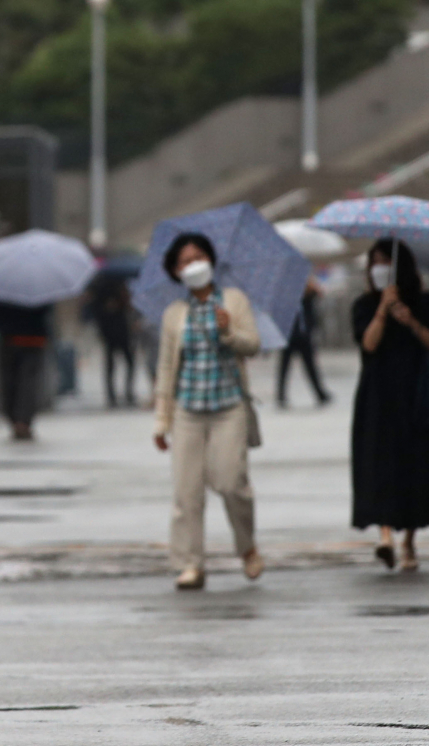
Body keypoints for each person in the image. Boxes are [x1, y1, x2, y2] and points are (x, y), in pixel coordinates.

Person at [152, 232, 264, 591]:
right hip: (188, 410)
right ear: (175, 270)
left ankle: (246, 547)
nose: (193, 265)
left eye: (198, 257)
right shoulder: (174, 314)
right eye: (185, 261)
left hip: (228, 406)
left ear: (212, 261)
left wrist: (229, 332)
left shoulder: (233, 301)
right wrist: (161, 420)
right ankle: (190, 563)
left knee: (231, 483)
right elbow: (167, 368)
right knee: (187, 493)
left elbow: (253, 346)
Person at [351, 238, 429, 572]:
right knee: (379, 465)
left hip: (415, 396)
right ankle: (385, 536)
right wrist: (382, 310)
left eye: (385, 262)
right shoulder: (363, 305)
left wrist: (410, 321)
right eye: (374, 262)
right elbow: (368, 343)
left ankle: (409, 541)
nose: (379, 268)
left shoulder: (423, 302)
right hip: (377, 397)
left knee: (414, 467)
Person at [0, 302, 50, 441]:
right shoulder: (39, 292)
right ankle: (23, 421)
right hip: (33, 339)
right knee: (28, 382)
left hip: (11, 339)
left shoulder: (4, 292)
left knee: (11, 381)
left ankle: (16, 419)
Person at [277, 277, 332, 408]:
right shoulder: (285, 296)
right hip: (288, 336)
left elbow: (318, 294)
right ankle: (281, 395)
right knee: (284, 367)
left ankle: (320, 394)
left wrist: (309, 284)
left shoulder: (306, 296)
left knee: (311, 366)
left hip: (304, 336)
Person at [89, 274, 136, 408]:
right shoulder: (101, 289)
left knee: (128, 362)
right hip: (110, 332)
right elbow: (95, 311)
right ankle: (112, 394)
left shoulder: (121, 288)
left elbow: (128, 307)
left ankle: (127, 392)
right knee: (111, 365)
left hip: (121, 331)